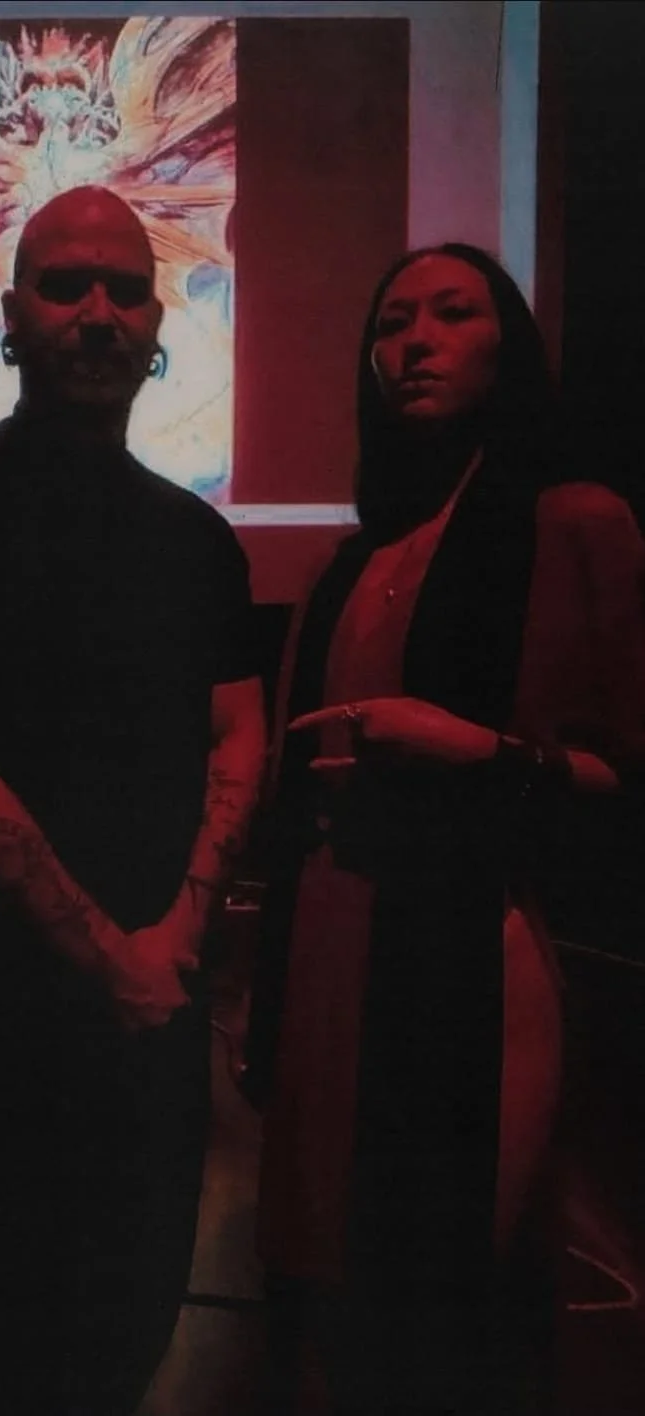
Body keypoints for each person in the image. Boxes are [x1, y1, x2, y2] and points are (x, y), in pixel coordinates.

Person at [0, 184, 267, 1416]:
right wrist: (118, 960)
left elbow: (237, 733)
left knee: (131, 1337)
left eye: (124, 288)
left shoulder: (198, 540)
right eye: (64, 284)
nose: (97, 311)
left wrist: (173, 944)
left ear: (157, 326)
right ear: (8, 318)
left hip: (153, 1026)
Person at [243, 243, 645, 1414]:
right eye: (390, 323)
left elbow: (630, 772)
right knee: (330, 1292)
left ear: (505, 344)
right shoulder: (344, 561)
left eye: (450, 314)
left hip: (475, 944)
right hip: (328, 943)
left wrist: (475, 750)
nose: (410, 341)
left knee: (451, 1288)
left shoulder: (574, 523)